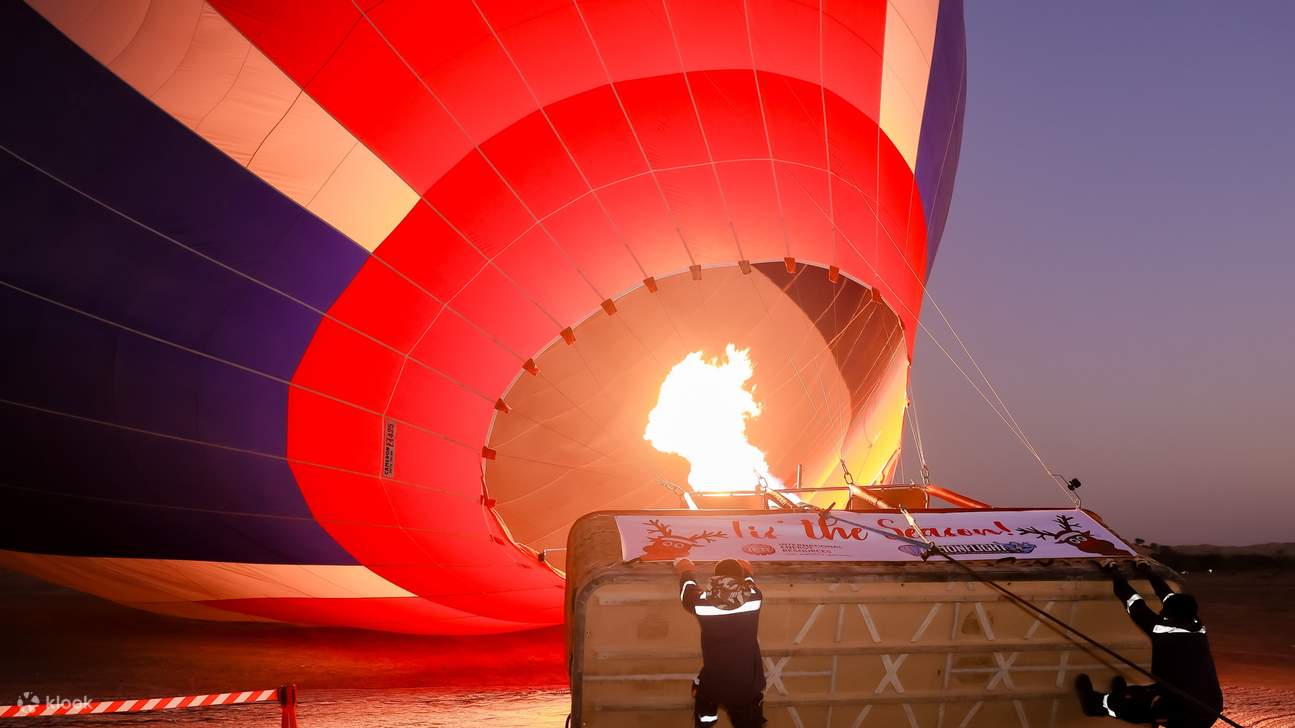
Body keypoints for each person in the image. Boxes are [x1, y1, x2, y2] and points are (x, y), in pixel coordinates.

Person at [1074, 561, 1223, 727]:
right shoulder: (1197, 625)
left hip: (1187, 713)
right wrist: (1147, 571)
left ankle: (1097, 705)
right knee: (1148, 691)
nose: (1160, 611)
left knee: (1136, 706)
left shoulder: (1160, 629)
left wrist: (1113, 570)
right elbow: (1167, 595)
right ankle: (1126, 696)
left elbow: (1130, 598)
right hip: (1210, 703)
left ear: (1169, 615)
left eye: (1163, 611)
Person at [674, 557, 766, 727]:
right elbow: (750, 582)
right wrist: (746, 570)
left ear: (716, 579)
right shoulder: (755, 597)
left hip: (715, 680)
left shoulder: (701, 602)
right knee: (750, 722)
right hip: (746, 684)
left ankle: (705, 722)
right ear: (740, 579)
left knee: (705, 708)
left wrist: (686, 570)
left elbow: (687, 591)